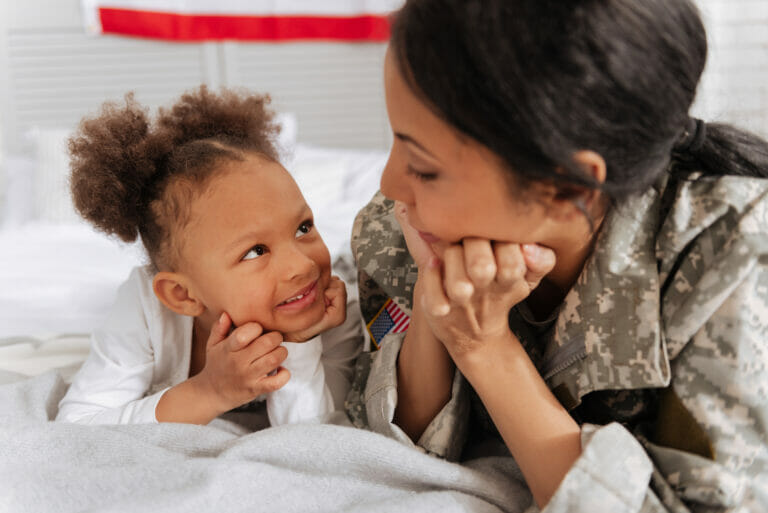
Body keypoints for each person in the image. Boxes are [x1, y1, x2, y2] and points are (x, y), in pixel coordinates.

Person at [346, 0, 768, 511]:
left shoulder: (735, 261)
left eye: (423, 167)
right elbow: (381, 453)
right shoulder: (395, 232)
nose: (391, 185)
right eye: (395, 140)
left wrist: (487, 350)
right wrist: (436, 308)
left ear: (569, 186)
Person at [57, 86, 362, 427]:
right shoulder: (145, 310)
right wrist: (211, 391)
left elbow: (317, 442)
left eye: (303, 228)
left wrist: (300, 345)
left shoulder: (336, 314)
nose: (302, 266)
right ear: (183, 295)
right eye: (255, 251)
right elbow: (77, 425)